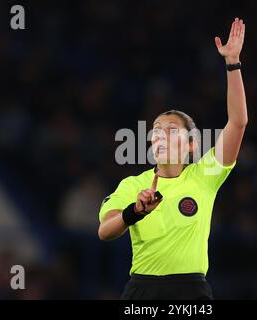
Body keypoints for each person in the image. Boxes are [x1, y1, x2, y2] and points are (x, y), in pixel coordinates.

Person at [98, 17, 247, 300]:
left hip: (192, 292)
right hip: (142, 291)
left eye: (171, 130)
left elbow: (237, 122)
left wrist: (232, 63)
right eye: (156, 131)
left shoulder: (205, 176)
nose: (160, 136)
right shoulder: (133, 185)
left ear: (192, 145)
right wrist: (135, 212)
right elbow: (104, 231)